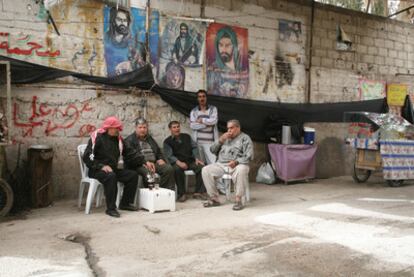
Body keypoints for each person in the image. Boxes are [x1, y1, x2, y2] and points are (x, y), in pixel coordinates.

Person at [83, 116, 140, 218]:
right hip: (96, 170)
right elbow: (87, 157)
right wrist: (101, 166)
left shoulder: (118, 139)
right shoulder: (97, 138)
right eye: (116, 128)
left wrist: (143, 161)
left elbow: (130, 153)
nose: (118, 130)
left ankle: (125, 203)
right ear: (109, 128)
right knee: (111, 176)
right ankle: (111, 209)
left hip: (112, 169)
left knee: (132, 175)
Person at [201, 119, 253, 211]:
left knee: (241, 170)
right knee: (206, 170)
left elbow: (249, 156)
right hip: (221, 164)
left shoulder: (245, 138)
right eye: (228, 128)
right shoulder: (225, 138)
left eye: (231, 128)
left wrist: (236, 162)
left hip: (237, 165)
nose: (229, 130)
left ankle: (238, 200)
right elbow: (212, 150)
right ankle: (214, 199)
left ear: (238, 128)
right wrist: (220, 140)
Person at [190, 89, 226, 194]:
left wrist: (201, 120)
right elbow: (192, 125)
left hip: (210, 143)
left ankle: (221, 188)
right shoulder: (194, 111)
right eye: (199, 97)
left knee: (215, 165)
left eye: (203, 96)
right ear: (197, 99)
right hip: (198, 143)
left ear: (206, 98)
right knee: (202, 167)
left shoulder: (213, 109)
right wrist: (207, 123)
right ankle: (206, 189)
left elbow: (214, 121)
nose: (201, 98)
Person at [124, 118, 175, 191]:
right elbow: (132, 157)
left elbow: (158, 151)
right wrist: (144, 162)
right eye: (140, 127)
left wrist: (160, 159)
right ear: (136, 128)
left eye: (144, 127)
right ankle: (150, 195)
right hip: (139, 165)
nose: (142, 130)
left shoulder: (149, 138)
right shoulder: (129, 140)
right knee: (148, 173)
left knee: (168, 169)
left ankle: (162, 192)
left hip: (153, 163)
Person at [163, 121, 206, 202]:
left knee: (202, 168)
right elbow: (169, 155)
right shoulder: (167, 142)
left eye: (178, 127)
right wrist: (179, 162)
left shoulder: (187, 136)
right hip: (178, 162)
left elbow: (194, 147)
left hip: (190, 160)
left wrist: (197, 158)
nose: (176, 129)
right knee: (176, 170)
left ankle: (198, 192)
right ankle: (182, 194)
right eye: (174, 127)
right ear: (170, 129)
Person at [207, 26, 248, 97]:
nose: (224, 49)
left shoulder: (242, 68)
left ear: (234, 46)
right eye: (220, 45)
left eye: (228, 45)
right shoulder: (212, 69)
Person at [104, 7, 146, 77]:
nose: (122, 23)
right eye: (119, 20)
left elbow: (142, 66)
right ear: (113, 21)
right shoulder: (104, 39)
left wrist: (131, 65)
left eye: (125, 20)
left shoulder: (134, 44)